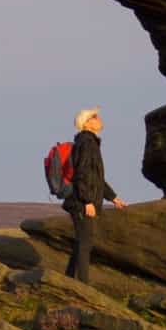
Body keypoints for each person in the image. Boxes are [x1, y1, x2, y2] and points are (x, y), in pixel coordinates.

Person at [57, 106, 119, 280]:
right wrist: (87, 202)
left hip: (83, 200)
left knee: (82, 242)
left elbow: (96, 178)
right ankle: (83, 285)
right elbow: (81, 174)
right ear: (86, 123)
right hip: (81, 202)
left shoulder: (89, 142)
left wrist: (113, 197)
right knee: (85, 243)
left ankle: (70, 279)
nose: (99, 118)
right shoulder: (87, 143)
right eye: (94, 116)